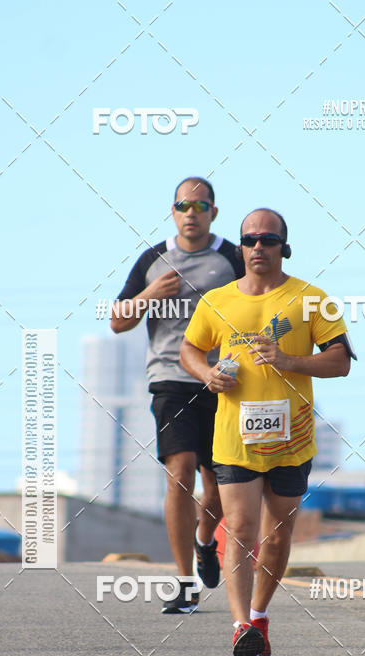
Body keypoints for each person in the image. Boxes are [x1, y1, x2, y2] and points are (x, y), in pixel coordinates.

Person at [180, 208, 355, 656]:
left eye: (269, 240)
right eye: (250, 239)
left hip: (292, 439)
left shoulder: (311, 299)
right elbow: (189, 349)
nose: (258, 247)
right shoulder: (216, 300)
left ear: (284, 247)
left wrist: (289, 361)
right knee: (239, 529)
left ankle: (259, 618)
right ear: (240, 247)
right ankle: (240, 626)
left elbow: (340, 362)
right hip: (234, 438)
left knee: (276, 537)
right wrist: (206, 373)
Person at [111, 177, 244, 613]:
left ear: (213, 213)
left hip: (223, 380)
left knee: (219, 484)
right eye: (183, 206)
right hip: (170, 378)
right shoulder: (153, 259)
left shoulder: (232, 258)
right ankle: (185, 581)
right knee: (180, 472)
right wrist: (150, 294)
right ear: (173, 212)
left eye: (200, 206)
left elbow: (260, 303)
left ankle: (205, 540)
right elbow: (117, 321)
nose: (191, 213)